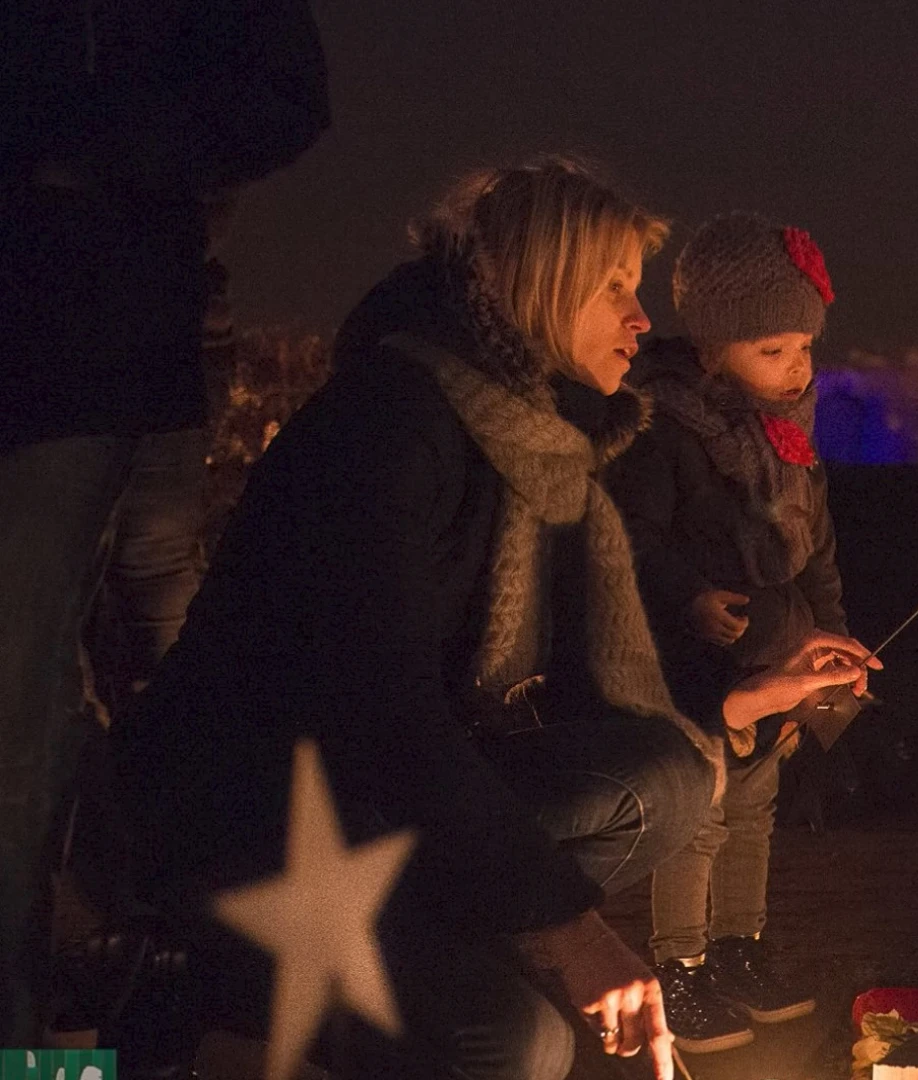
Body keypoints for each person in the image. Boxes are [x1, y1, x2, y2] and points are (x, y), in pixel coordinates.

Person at [111, 158, 874, 1080]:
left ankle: (431, 940)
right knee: (517, 1043)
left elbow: (574, 678)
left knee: (669, 778)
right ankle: (196, 978)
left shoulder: (541, 443)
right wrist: (563, 931)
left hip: (382, 805)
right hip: (256, 822)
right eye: (614, 289)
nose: (642, 318)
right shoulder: (391, 432)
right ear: (542, 290)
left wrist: (750, 698)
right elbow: (383, 721)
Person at [0, 0, 329, 1044]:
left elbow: (279, 93)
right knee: (41, 694)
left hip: (85, 337)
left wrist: (93, 152)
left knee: (34, 693)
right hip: (97, 325)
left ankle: (63, 1016)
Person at [605, 213, 856, 1055]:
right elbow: (633, 537)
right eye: (773, 351)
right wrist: (689, 598)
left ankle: (740, 948)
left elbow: (816, 552)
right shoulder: (664, 430)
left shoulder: (792, 443)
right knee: (702, 811)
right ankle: (681, 963)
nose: (796, 369)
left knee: (755, 810)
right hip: (700, 660)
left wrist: (835, 642)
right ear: (715, 346)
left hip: (778, 649)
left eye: (803, 349)